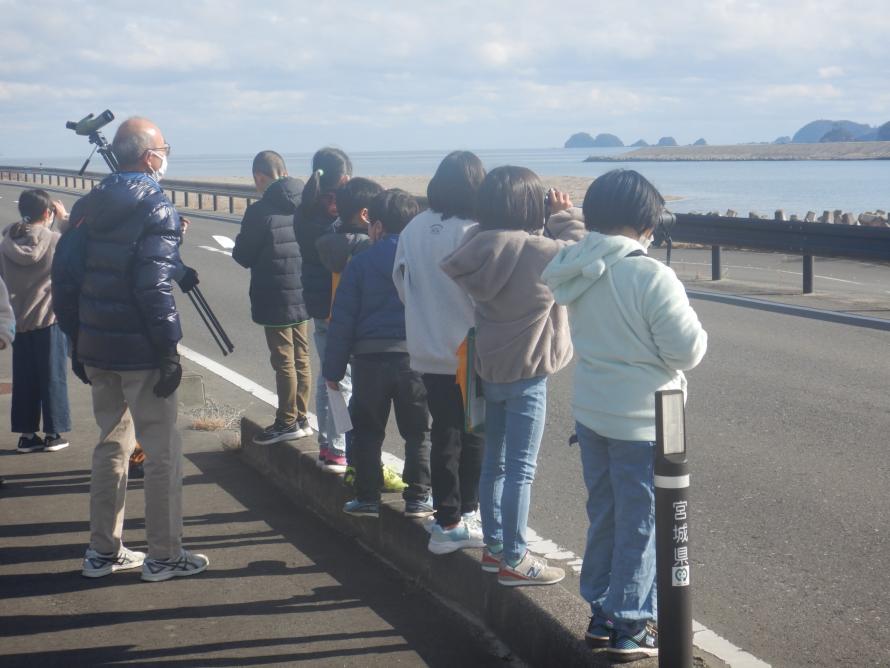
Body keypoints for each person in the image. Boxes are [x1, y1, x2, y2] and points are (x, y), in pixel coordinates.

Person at [543, 169, 707, 661]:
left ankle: (602, 614)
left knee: (607, 516)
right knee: (642, 523)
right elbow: (687, 350)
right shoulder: (650, 274)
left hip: (593, 415)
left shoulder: (577, 264)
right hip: (645, 420)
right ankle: (632, 625)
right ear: (646, 222)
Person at [54, 116, 208, 582]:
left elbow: (65, 276)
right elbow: (153, 285)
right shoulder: (156, 205)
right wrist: (169, 351)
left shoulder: (88, 204)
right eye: (163, 147)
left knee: (110, 445)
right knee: (161, 452)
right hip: (141, 350)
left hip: (97, 345)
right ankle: (164, 554)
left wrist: (77, 343)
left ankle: (102, 551)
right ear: (148, 156)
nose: (165, 154)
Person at [442, 166, 585, 586]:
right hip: (528, 374)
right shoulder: (537, 251)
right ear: (528, 205)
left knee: (495, 466)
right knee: (521, 470)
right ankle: (516, 558)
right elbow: (578, 253)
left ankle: (495, 548)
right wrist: (564, 215)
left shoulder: (475, 246)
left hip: (491, 370)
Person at [392, 151, 487, 554]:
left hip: (426, 347)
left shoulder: (413, 227)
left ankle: (446, 518)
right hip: (471, 350)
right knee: (475, 432)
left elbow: (400, 282)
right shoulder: (475, 231)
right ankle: (463, 512)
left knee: (444, 430)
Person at [324, 189, 433, 518]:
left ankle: (368, 498)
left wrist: (333, 370)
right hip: (415, 359)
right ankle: (418, 498)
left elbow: (342, 320)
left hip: (369, 361)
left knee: (367, 431)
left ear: (377, 226)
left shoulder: (360, 263)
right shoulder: (425, 261)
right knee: (419, 431)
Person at [233, 151, 312, 445]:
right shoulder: (307, 204)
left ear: (259, 177)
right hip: (304, 289)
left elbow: (242, 255)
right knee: (302, 357)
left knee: (283, 360)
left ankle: (286, 420)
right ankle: (302, 417)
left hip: (274, 293)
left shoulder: (259, 211)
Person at [0, 190, 71, 453]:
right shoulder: (54, 240)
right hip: (49, 318)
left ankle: (27, 435)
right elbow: (75, 250)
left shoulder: (6, 242)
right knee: (53, 376)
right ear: (47, 212)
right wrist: (63, 220)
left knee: (25, 378)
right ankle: (54, 433)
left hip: (18, 321)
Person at [294, 148, 352, 470]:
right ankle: (339, 446)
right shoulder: (333, 215)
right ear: (343, 178)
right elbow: (339, 251)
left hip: (318, 303)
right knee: (341, 377)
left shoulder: (306, 208)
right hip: (336, 303)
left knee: (328, 374)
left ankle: (328, 444)